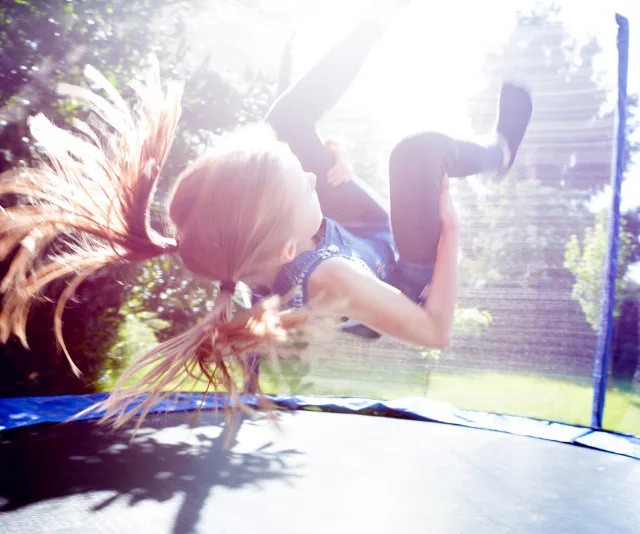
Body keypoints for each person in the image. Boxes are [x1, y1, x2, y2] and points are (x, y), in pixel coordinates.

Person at [0, 0, 532, 427]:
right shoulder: (331, 278)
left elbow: (259, 229)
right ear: (286, 248)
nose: (309, 175)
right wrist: (450, 235)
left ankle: (376, 18)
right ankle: (499, 154)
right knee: (414, 154)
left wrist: (319, 173)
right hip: (399, 279)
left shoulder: (250, 249)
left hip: (344, 237)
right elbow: (435, 332)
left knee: (286, 122)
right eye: (299, 184)